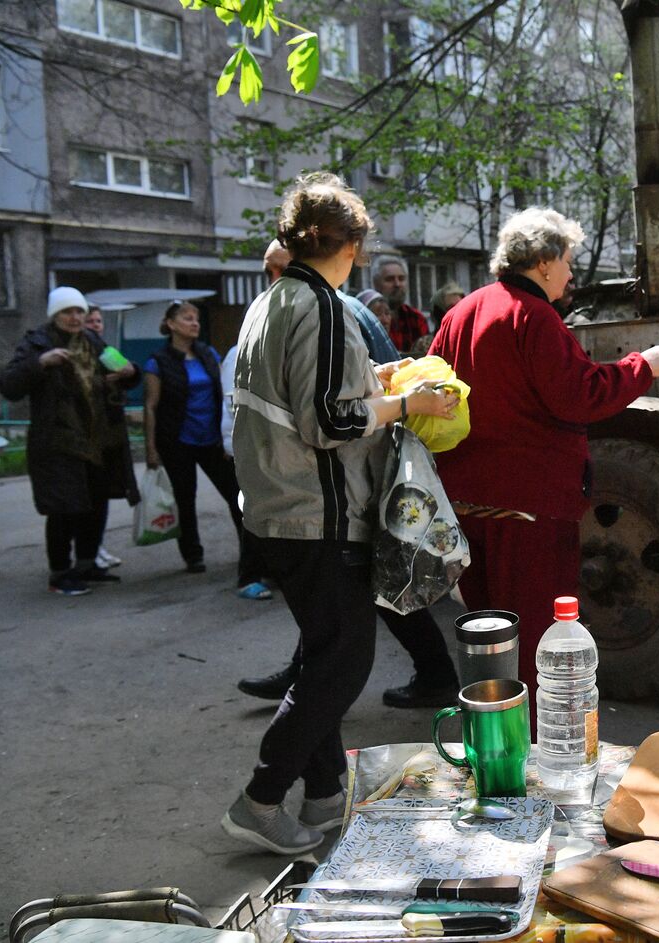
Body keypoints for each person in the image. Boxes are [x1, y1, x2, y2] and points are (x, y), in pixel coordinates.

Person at [221, 172, 458, 854]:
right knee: (344, 662)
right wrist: (412, 403)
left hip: (275, 506)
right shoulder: (323, 305)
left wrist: (377, 381)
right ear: (351, 244)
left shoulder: (274, 298)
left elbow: (304, 394)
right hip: (313, 510)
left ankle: (323, 794)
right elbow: (329, 418)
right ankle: (262, 799)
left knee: (325, 655)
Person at [428, 207, 659, 703]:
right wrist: (643, 365)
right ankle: (531, 761)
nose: (570, 271)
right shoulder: (532, 316)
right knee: (534, 648)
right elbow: (580, 395)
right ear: (542, 262)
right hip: (529, 513)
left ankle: (492, 747)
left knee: (487, 642)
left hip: (467, 507)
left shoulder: (462, 312)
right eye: (567, 259)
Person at [236, 240, 459, 708]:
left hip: (346, 486)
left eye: (284, 267)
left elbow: (334, 416)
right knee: (359, 604)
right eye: (271, 270)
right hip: (337, 489)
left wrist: (403, 400)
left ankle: (273, 773)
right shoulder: (303, 304)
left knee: (370, 602)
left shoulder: (327, 308)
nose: (279, 278)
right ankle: (313, 706)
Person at [2, 288, 140, 595]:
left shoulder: (92, 341)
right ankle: (60, 574)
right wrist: (41, 362)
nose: (75, 317)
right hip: (57, 442)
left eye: (79, 311)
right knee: (63, 509)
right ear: (55, 315)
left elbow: (117, 371)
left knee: (95, 503)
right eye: (68, 312)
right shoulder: (38, 342)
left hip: (98, 439)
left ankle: (87, 564)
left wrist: (130, 373)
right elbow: (10, 386)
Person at [143, 301, 266, 598]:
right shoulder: (158, 361)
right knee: (185, 499)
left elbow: (225, 395)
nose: (194, 323)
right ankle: (193, 554)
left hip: (210, 439)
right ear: (171, 324)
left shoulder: (208, 355)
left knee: (236, 497)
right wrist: (150, 448)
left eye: (196, 318)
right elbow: (150, 405)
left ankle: (250, 556)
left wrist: (227, 436)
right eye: (187, 318)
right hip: (177, 441)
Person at [83, 304, 130, 572]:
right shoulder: (81, 352)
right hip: (91, 434)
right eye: (90, 320)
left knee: (101, 498)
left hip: (109, 434)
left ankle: (96, 546)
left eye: (98, 320)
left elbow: (127, 373)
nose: (95, 325)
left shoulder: (106, 350)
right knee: (88, 500)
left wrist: (126, 373)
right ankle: (89, 551)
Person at [371, 254, 429, 353]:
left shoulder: (416, 318)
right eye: (389, 279)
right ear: (376, 284)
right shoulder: (369, 319)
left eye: (401, 279)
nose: (397, 284)